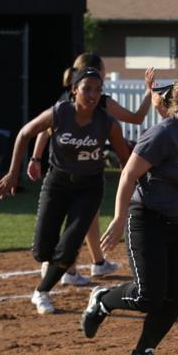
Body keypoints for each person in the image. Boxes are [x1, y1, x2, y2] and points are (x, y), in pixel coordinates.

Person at [79, 72, 178, 355]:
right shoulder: (163, 134)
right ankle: (102, 301)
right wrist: (120, 218)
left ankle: (142, 351)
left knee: (177, 297)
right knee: (147, 296)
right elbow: (129, 174)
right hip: (146, 220)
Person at [0, 68, 130, 314]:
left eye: (98, 90)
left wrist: (132, 192)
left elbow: (125, 161)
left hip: (89, 187)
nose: (92, 94)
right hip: (57, 184)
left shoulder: (107, 123)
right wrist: (14, 173)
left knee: (69, 245)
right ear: (73, 90)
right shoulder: (60, 113)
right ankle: (51, 263)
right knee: (42, 251)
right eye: (86, 88)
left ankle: (42, 292)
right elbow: (25, 133)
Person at [28, 53, 155, 285]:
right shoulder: (95, 102)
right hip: (74, 172)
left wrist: (36, 158)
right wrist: (148, 92)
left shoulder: (69, 98)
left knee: (86, 219)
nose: (102, 78)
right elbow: (137, 118)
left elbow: (42, 131)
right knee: (78, 222)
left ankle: (94, 262)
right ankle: (68, 267)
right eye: (101, 71)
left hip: (81, 172)